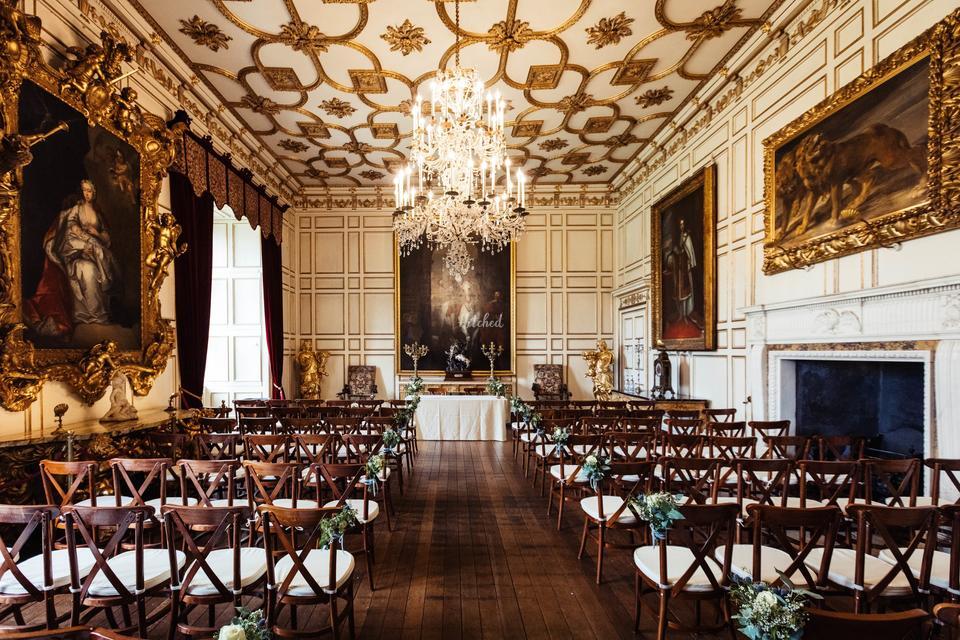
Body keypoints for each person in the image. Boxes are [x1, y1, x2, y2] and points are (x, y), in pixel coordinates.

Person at [25, 179, 119, 338]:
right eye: (83, 190)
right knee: (85, 269)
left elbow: (107, 238)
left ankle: (99, 315)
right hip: (76, 255)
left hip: (96, 253)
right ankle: (83, 316)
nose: (86, 194)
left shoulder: (98, 214)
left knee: (97, 269)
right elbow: (68, 232)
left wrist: (96, 235)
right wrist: (84, 244)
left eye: (89, 190)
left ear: (93, 193)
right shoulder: (74, 210)